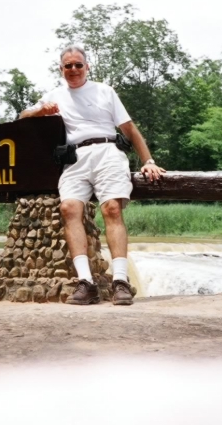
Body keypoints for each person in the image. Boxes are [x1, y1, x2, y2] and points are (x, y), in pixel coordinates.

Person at [19, 45, 165, 306]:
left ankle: (120, 282)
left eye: (78, 65)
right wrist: (39, 112)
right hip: (76, 158)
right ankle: (86, 283)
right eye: (68, 65)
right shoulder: (54, 94)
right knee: (68, 208)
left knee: (111, 209)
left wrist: (149, 161)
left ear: (87, 67)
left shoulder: (104, 91)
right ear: (61, 69)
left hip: (108, 151)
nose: (73, 69)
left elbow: (129, 128)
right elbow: (22, 116)